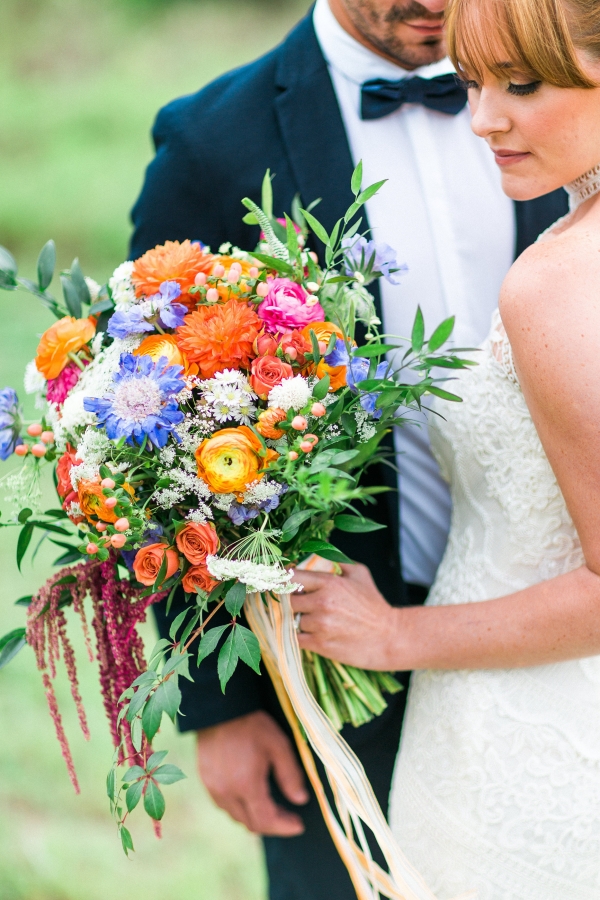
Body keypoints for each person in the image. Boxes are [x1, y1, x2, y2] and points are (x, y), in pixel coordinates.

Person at [129, 1, 566, 897]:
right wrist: (225, 707)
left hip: (557, 633)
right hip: (331, 658)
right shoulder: (215, 142)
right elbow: (158, 442)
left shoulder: (564, 89)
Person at [292, 0, 600, 895]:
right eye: (472, 82)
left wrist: (392, 635)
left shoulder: (556, 286)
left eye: (523, 84)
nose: (484, 119)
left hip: (518, 742)